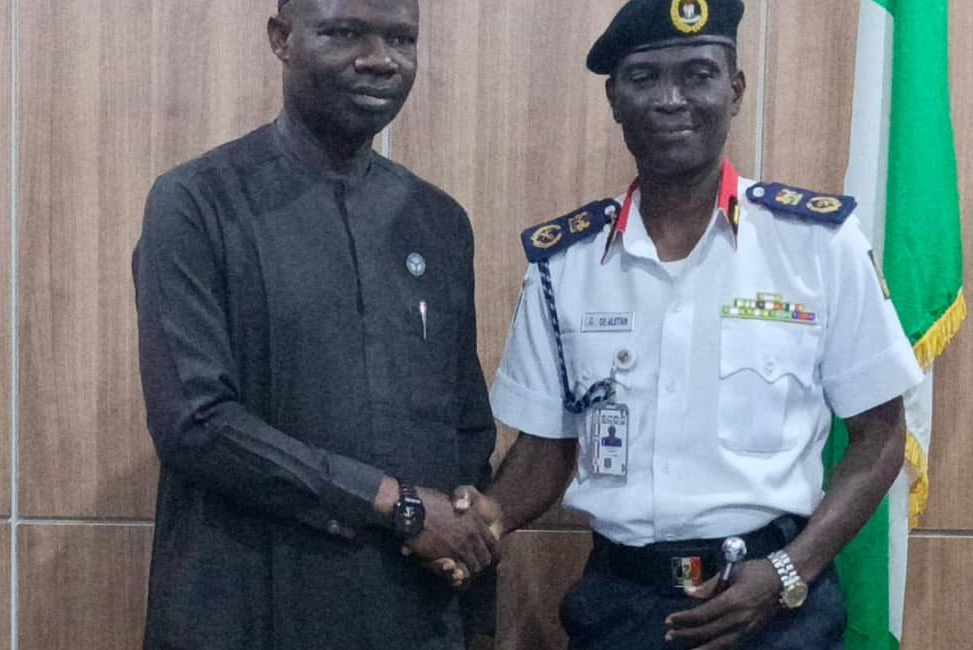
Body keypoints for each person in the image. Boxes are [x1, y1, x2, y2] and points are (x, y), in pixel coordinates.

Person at [454, 0, 924, 648]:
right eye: (644, 78)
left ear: (735, 90)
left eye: (698, 74)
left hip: (779, 608)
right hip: (619, 607)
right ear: (614, 99)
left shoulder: (818, 246)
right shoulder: (564, 267)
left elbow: (881, 436)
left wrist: (789, 571)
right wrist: (480, 521)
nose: (671, 99)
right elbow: (545, 450)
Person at [132, 0, 499, 648]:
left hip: (409, 615)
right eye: (345, 33)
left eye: (401, 39)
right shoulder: (196, 203)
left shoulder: (438, 222)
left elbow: (466, 428)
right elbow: (194, 422)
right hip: (249, 609)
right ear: (282, 39)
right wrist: (394, 504)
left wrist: (467, 549)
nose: (380, 60)